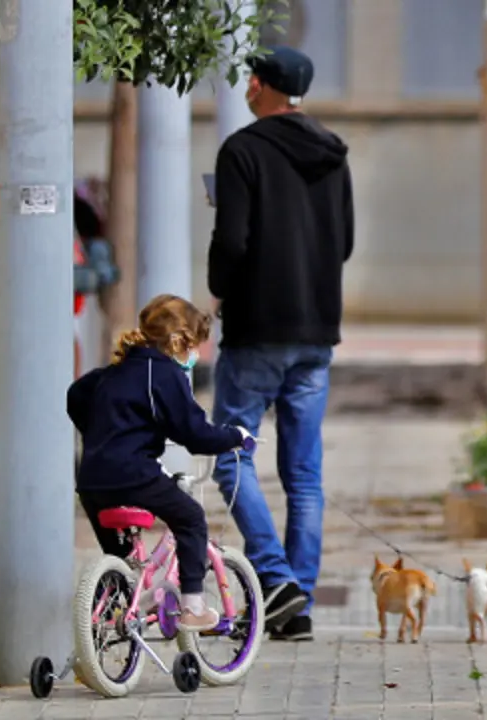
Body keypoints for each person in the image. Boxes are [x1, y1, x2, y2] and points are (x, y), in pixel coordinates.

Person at [206, 45, 354, 642]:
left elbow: (233, 242)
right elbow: (342, 243)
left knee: (230, 456)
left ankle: (275, 577)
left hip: (256, 331)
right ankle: (299, 605)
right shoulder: (333, 155)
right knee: (304, 475)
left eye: (251, 79)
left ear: (263, 88)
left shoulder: (243, 151)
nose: (245, 86)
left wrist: (219, 289)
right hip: (316, 331)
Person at [68, 293, 252, 633]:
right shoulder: (165, 374)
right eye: (195, 345)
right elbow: (195, 434)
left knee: (123, 562)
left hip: (92, 480)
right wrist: (235, 437)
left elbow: (76, 395)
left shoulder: (113, 372)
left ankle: (112, 620)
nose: (195, 355)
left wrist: (99, 432)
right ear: (180, 340)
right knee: (191, 519)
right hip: (133, 475)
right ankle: (194, 607)